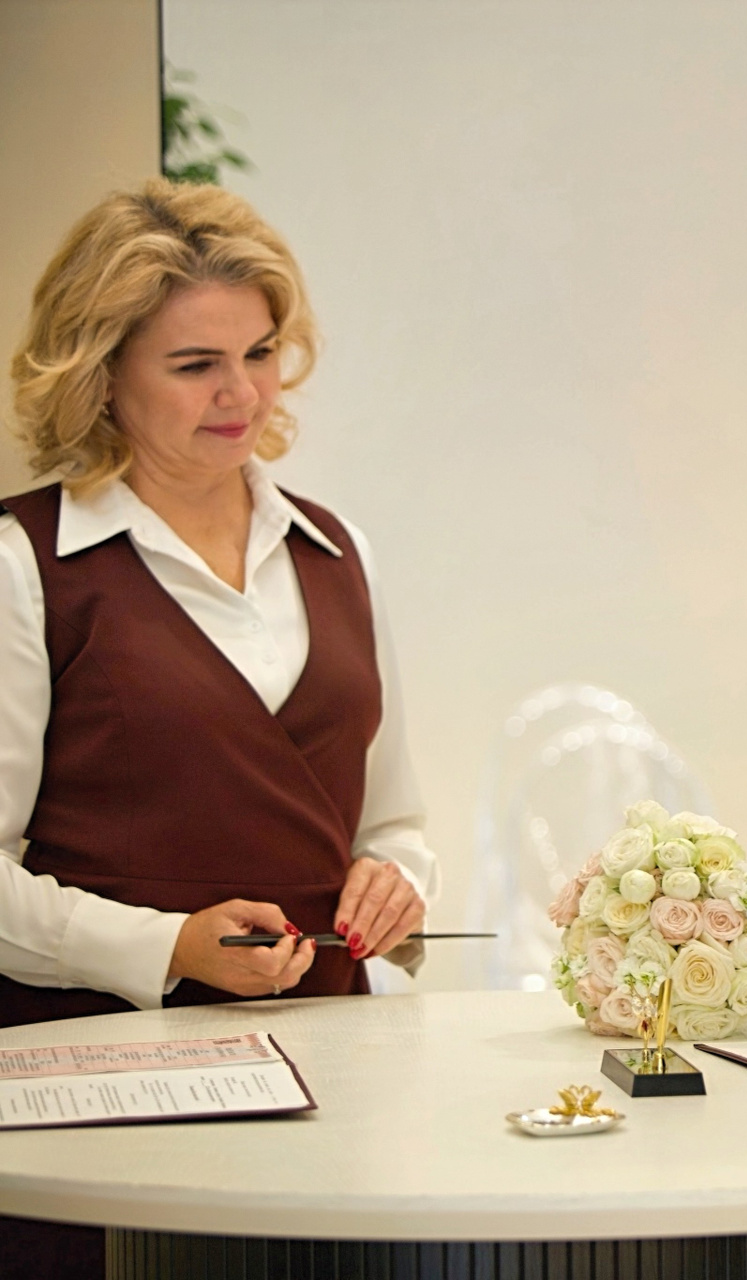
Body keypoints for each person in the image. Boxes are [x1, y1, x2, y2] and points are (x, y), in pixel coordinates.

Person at [0, 179, 439, 1278]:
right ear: (100, 373)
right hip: (102, 1089)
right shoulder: (24, 566)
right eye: (195, 364)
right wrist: (165, 948)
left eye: (260, 352)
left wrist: (398, 880)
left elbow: (395, 820)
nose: (240, 392)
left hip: (334, 1084)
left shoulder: (338, 550)